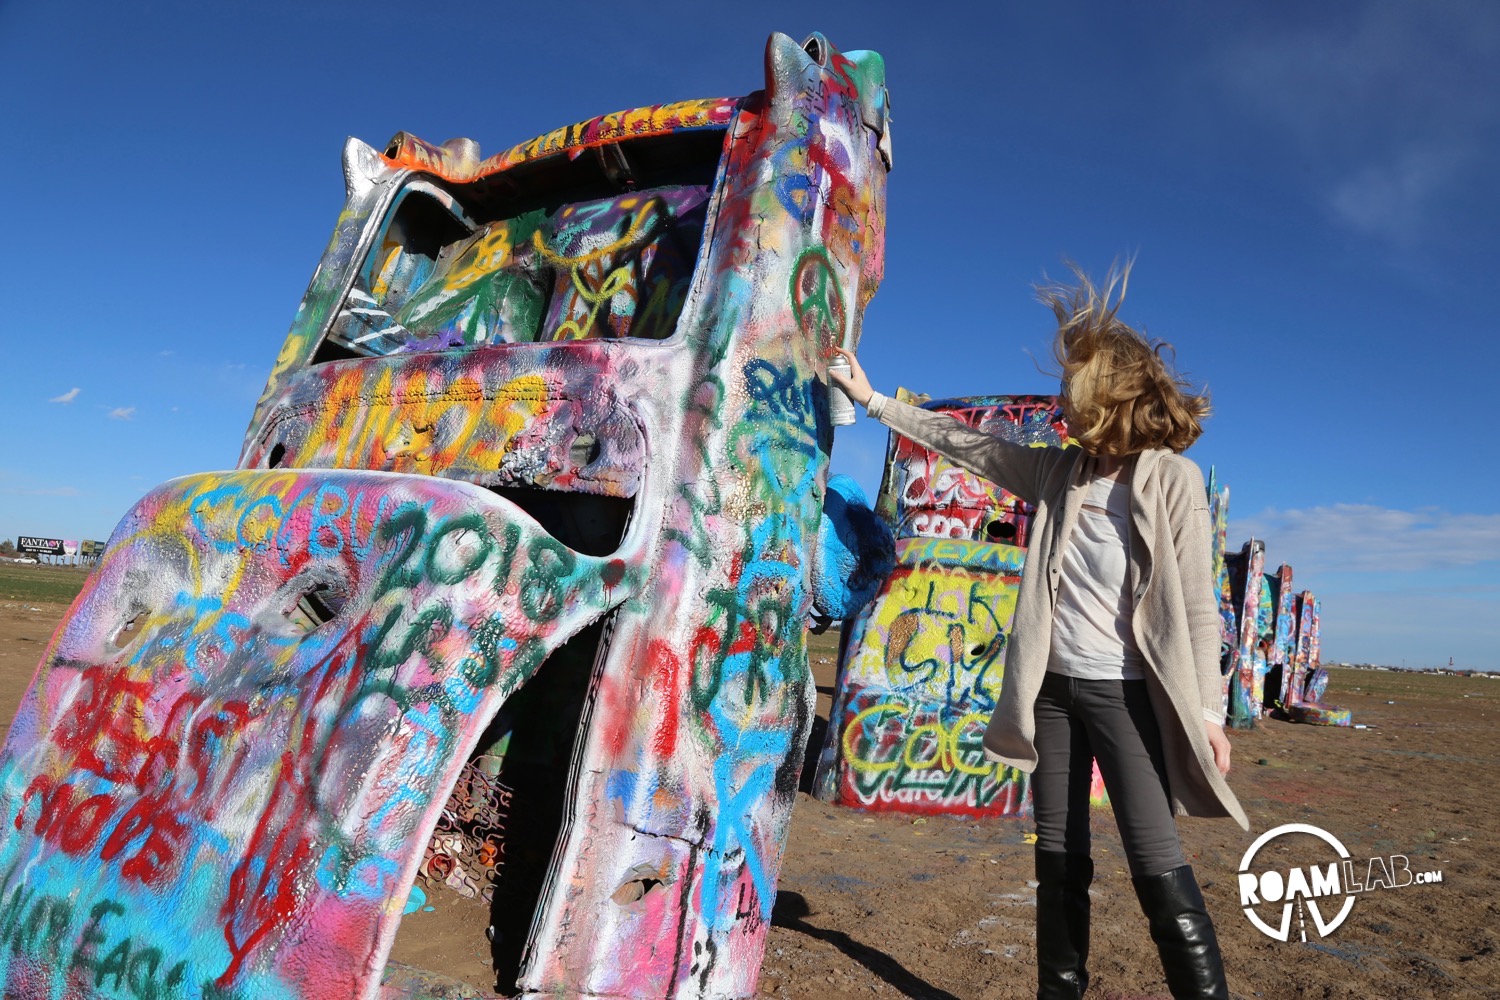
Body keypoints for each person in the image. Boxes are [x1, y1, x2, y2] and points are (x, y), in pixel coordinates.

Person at [830, 262, 1247, 1000]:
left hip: (1127, 698)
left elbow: (1196, 603)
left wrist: (1210, 711)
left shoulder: (1173, 482)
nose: (1064, 408)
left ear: (1111, 398)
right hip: (1052, 692)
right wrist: (873, 402)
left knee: (1157, 863)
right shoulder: (1059, 474)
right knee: (1057, 862)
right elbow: (971, 447)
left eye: (1074, 396)